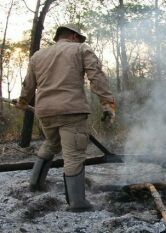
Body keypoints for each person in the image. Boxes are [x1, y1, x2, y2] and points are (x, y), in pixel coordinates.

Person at [16, 24, 116, 212]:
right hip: (72, 111)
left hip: (45, 112)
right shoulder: (80, 48)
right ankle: (77, 203)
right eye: (80, 38)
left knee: (51, 145)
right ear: (73, 36)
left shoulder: (38, 56)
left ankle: (35, 184)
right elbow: (96, 77)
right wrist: (107, 103)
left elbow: (28, 85)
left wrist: (23, 102)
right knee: (74, 155)